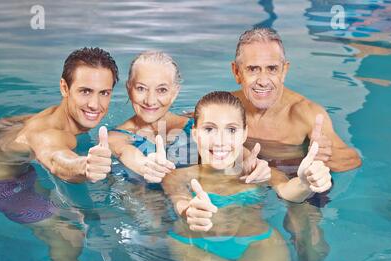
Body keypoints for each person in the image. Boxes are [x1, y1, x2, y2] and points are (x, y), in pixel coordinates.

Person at [0, 47, 120, 261]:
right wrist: (84, 167)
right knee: (70, 232)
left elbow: (6, 125)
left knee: (74, 211)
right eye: (85, 91)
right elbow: (56, 159)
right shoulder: (51, 134)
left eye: (105, 93)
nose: (95, 104)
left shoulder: (50, 116)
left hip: (17, 175)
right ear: (64, 88)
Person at [162, 91, 332, 261]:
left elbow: (289, 192)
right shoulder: (177, 177)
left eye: (231, 130)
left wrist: (307, 183)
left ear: (244, 134)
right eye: (209, 129)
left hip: (257, 242)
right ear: (196, 134)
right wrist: (190, 211)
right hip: (195, 245)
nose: (221, 141)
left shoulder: (260, 172)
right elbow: (180, 201)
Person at [230, 28, 362, 261]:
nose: (263, 80)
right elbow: (193, 123)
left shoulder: (305, 113)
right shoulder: (229, 107)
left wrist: (326, 155)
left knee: (307, 234)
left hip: (298, 176)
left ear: (285, 70)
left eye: (272, 69)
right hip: (251, 174)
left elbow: (352, 159)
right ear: (237, 72)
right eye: (253, 69)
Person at [108, 51, 270, 185]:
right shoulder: (116, 137)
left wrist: (257, 166)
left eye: (162, 90)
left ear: (175, 92)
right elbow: (126, 153)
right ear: (129, 88)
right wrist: (146, 167)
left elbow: (235, 150)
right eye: (141, 88)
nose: (150, 100)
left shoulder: (196, 124)